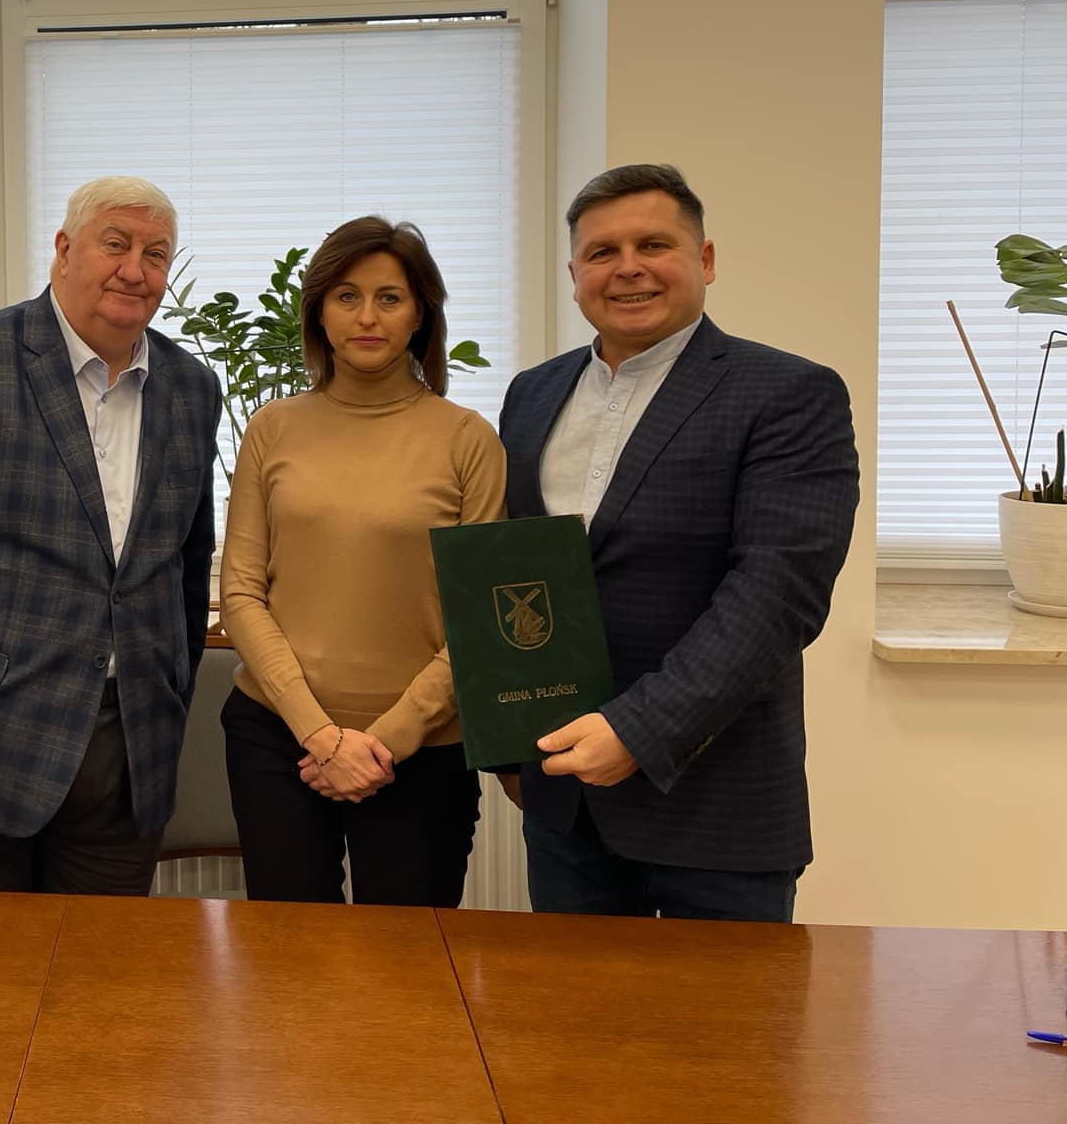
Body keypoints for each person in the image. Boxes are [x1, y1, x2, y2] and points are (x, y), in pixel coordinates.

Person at [497, 163, 858, 922]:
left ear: (706, 259)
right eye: (602, 252)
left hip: (716, 807)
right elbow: (515, 574)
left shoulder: (788, 393)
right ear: (574, 275)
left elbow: (776, 595)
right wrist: (508, 743)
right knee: (566, 1003)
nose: (628, 267)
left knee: (729, 1008)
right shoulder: (531, 393)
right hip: (565, 806)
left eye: (654, 245)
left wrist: (637, 730)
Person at [0, 176, 220, 894]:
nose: (134, 270)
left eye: (155, 254)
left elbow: (185, 565)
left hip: (126, 765)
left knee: (99, 968)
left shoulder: (191, 387)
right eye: (114, 244)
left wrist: (170, 702)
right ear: (63, 250)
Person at [218, 216, 504, 906]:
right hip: (278, 739)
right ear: (319, 311)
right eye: (346, 296)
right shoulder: (272, 428)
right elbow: (242, 594)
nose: (367, 316)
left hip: (423, 751)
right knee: (288, 955)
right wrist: (319, 735)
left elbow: (481, 620)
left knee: (407, 962)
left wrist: (385, 743)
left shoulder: (468, 440)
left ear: (420, 314)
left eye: (389, 297)